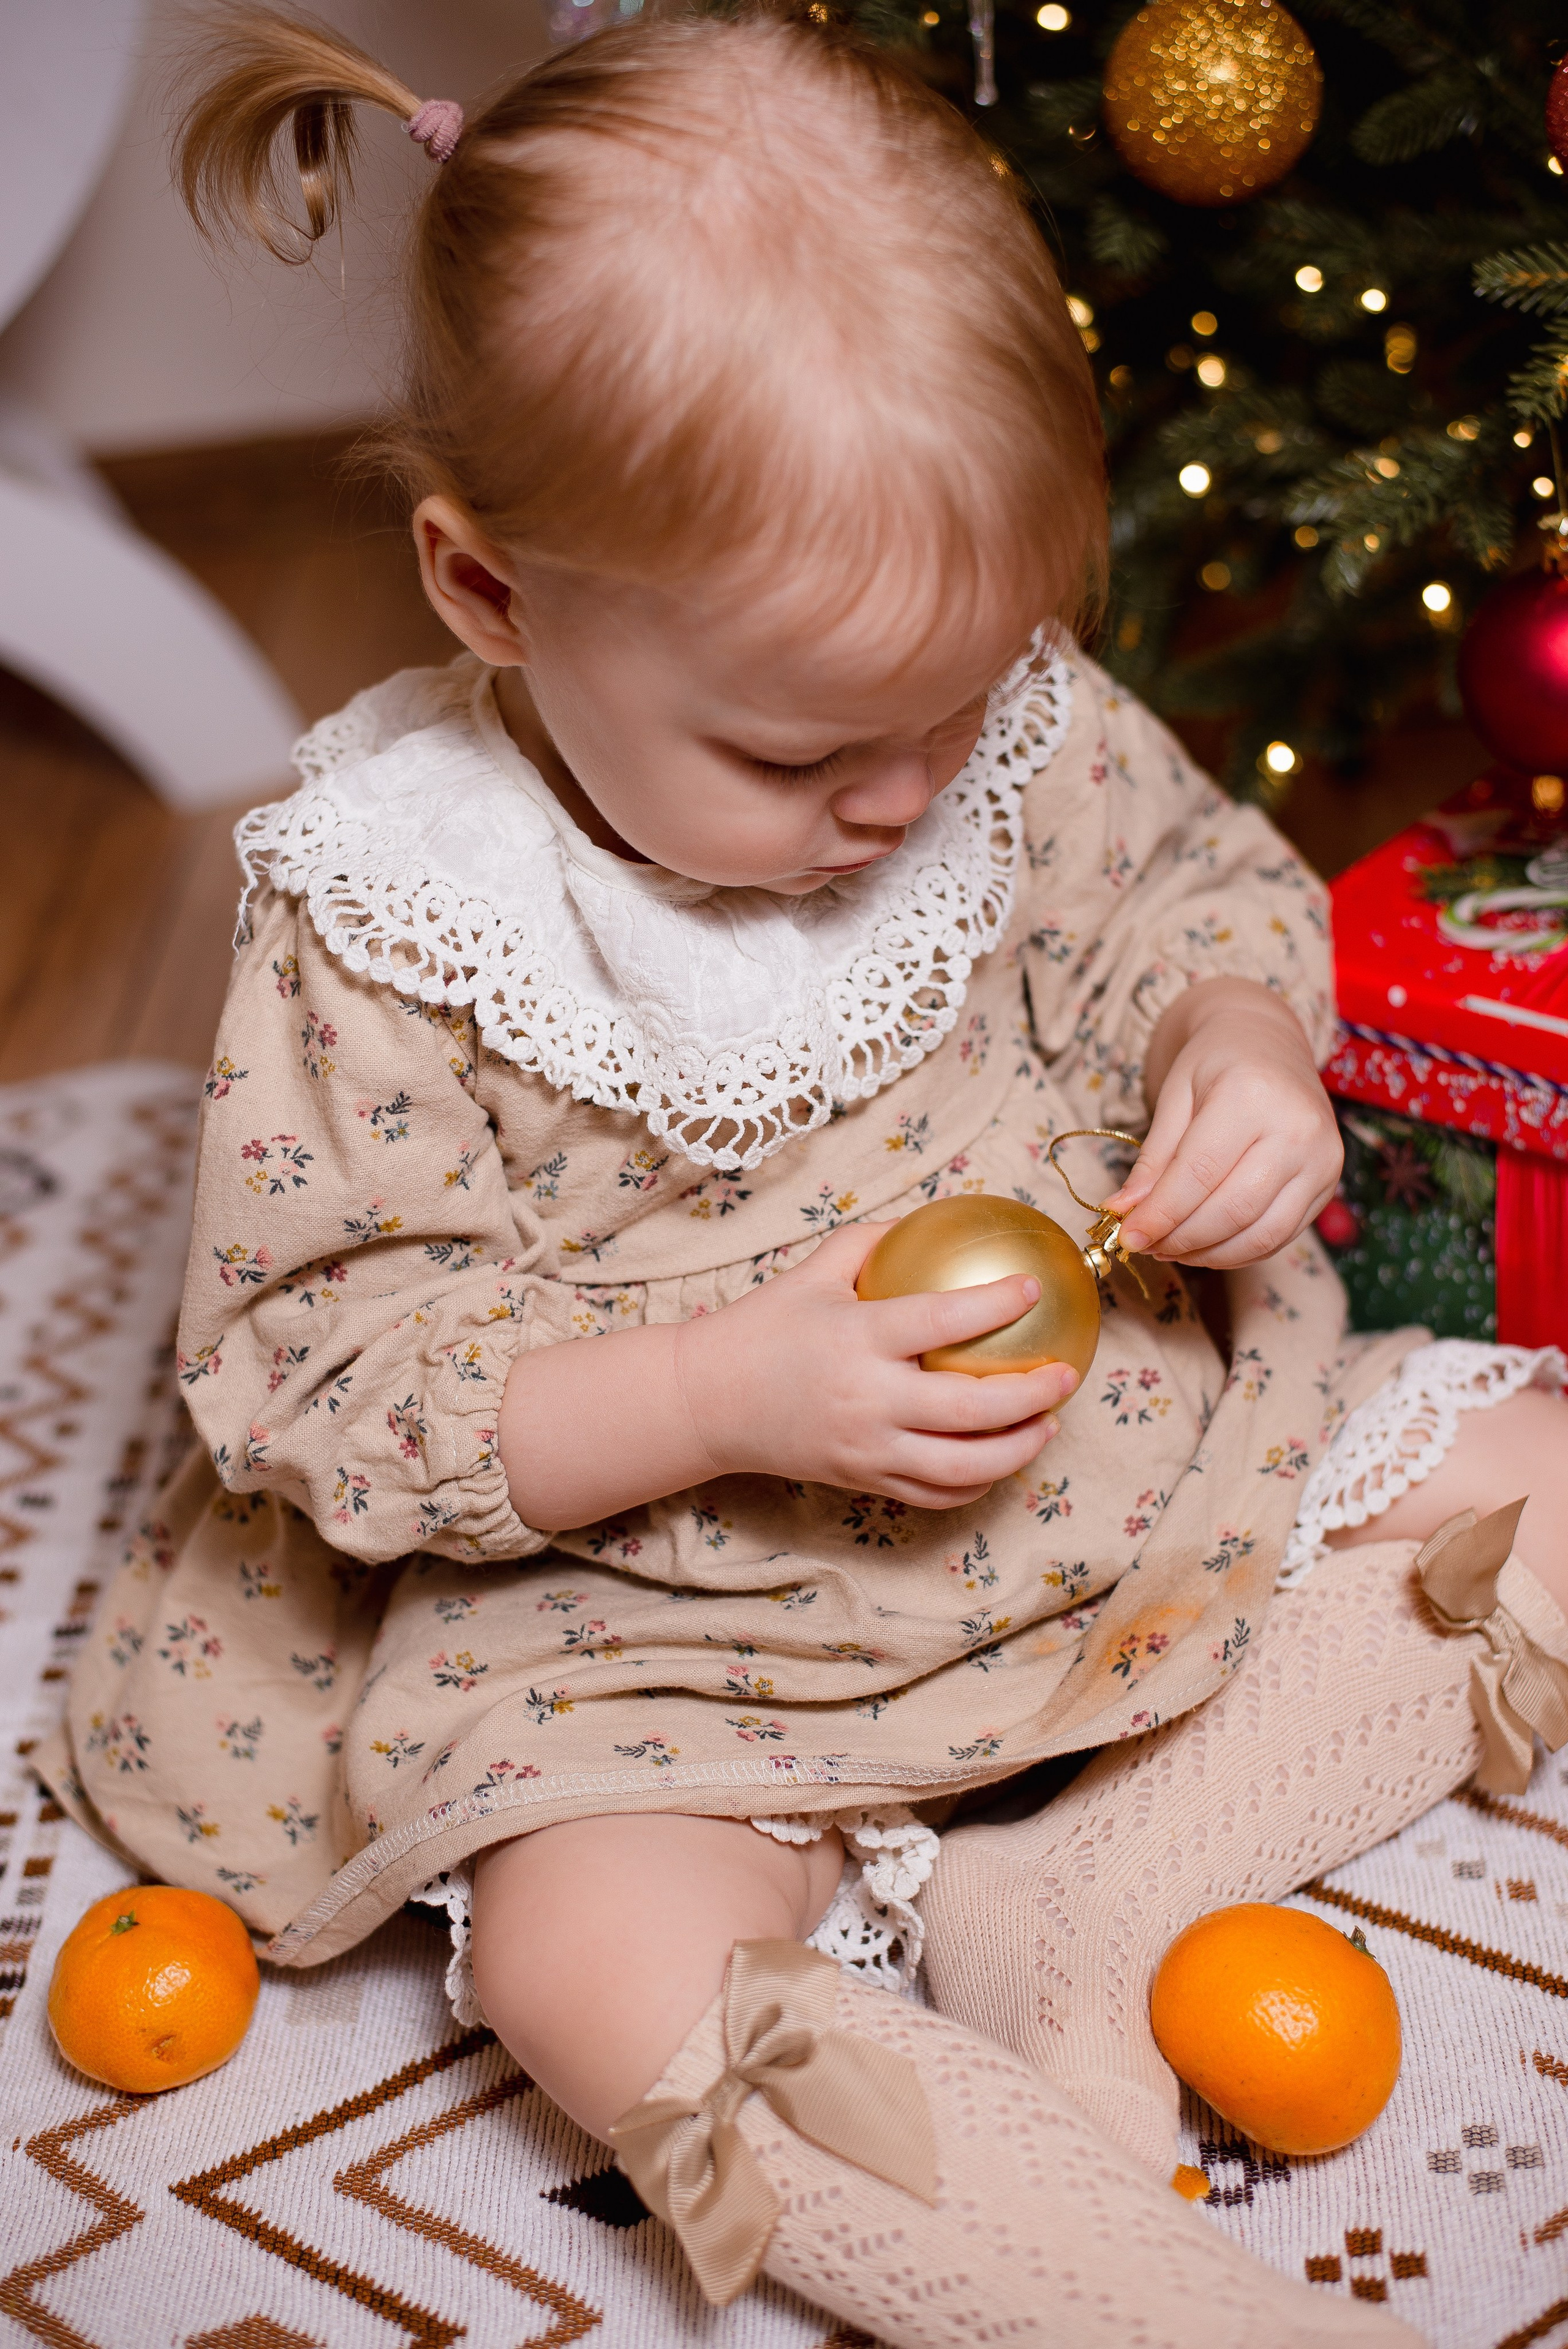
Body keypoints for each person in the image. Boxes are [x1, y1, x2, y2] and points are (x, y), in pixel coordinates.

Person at [45, 7, 1568, 2342]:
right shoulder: (390, 915)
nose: (903, 796)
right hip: (635, 1618)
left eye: (960, 707)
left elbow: (1188, 886)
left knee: (1539, 1470)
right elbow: (319, 1384)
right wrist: (720, 1390)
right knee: (590, 1961)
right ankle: (1146, 2310)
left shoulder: (976, 719)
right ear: (490, 593)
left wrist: (1238, 1042)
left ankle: (1095, 1885)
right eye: (800, 753)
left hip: (1094, 1468)